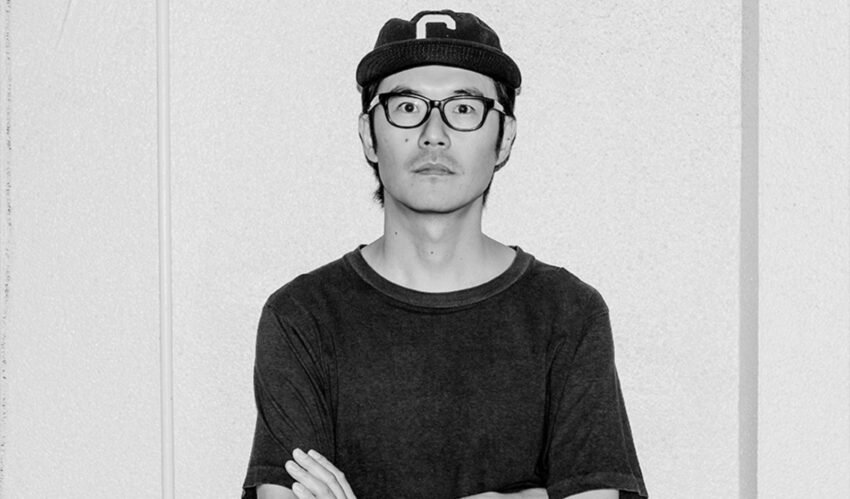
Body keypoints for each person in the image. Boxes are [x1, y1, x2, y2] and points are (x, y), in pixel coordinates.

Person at [242, 9, 648, 499]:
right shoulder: (302, 316)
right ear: (369, 134)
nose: (433, 134)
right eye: (407, 106)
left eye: (464, 108)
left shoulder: (568, 312)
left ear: (504, 138)